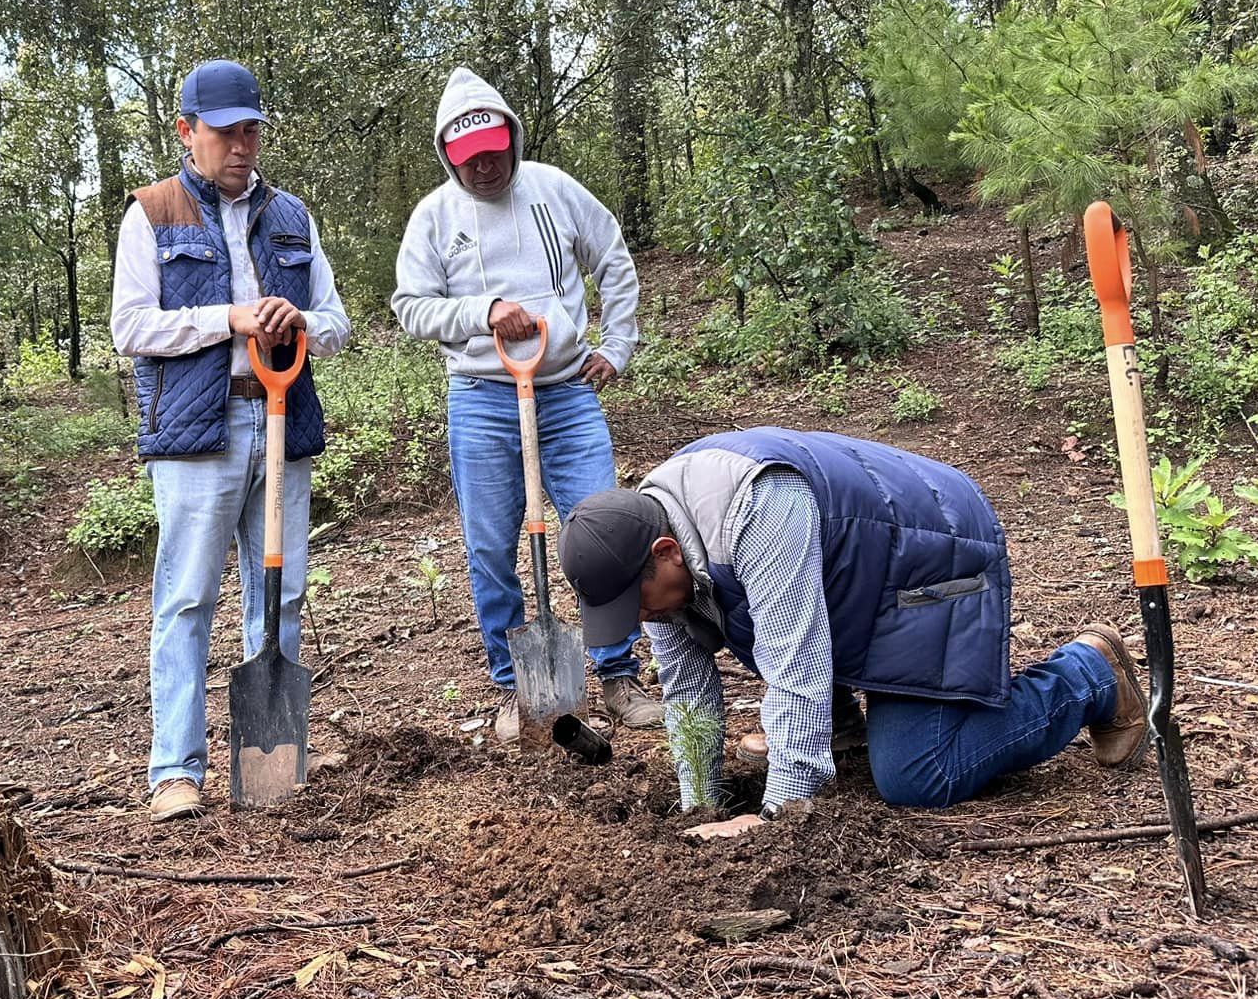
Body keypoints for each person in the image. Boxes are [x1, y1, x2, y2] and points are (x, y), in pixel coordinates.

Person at [557, 428, 1147, 835]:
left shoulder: (759, 512)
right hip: (858, 573)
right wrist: (700, 804)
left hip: (933, 556)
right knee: (731, 609)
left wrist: (778, 821)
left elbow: (796, 659)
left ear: (664, 553)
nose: (637, 621)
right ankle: (839, 726)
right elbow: (687, 690)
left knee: (917, 774)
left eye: (634, 604)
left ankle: (1089, 674)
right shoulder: (656, 537)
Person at [111, 59, 351, 823]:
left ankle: (269, 760)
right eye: (225, 131)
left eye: (251, 129)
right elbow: (131, 327)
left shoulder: (293, 217)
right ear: (187, 132)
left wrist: (298, 321)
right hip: (197, 434)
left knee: (280, 593)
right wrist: (229, 320)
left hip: (283, 422)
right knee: (185, 600)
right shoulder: (151, 213)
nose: (242, 144)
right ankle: (175, 771)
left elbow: (339, 324)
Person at [391, 67, 661, 742]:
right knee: (488, 548)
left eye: (494, 150)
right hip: (482, 399)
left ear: (512, 136)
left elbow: (614, 262)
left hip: (566, 394)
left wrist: (617, 346)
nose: (485, 167)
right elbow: (411, 307)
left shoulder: (555, 191)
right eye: (469, 158)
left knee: (604, 530)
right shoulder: (435, 217)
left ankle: (618, 675)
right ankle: (518, 690)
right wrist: (484, 312)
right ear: (449, 157)